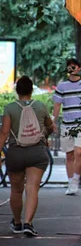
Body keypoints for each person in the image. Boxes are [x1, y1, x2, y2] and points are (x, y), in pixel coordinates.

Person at [0, 76, 54, 236]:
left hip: (16, 153)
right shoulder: (40, 106)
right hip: (37, 152)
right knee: (32, 189)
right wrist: (45, 137)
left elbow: (4, 133)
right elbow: (50, 126)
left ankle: (17, 222)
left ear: (17, 90)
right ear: (31, 90)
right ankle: (28, 223)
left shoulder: (10, 108)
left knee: (16, 190)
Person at [52, 58, 81, 196]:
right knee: (69, 154)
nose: (71, 68)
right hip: (67, 124)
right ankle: (70, 182)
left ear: (79, 68)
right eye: (69, 66)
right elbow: (57, 105)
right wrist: (53, 121)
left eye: (74, 66)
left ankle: (75, 181)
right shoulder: (62, 86)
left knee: (79, 152)